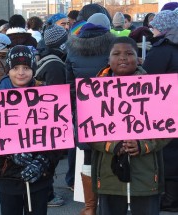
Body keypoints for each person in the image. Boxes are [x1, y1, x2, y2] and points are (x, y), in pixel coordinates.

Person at [91, 36, 170, 215]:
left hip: (146, 174)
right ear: (108, 59)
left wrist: (143, 145)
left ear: (139, 58)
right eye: (116, 53)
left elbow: (168, 128)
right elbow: (86, 131)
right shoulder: (94, 90)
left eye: (129, 53)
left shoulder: (156, 89)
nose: (123, 58)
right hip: (109, 175)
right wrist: (112, 145)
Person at [0, 45, 61, 215]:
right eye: (15, 68)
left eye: (26, 68)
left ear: (34, 69)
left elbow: (59, 136)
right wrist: (9, 153)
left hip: (40, 176)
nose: (21, 73)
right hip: (7, 176)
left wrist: (43, 161)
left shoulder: (47, 95)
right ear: (8, 70)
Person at [66, 12, 115, 215]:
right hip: (111, 109)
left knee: (87, 156)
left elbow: (69, 84)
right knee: (111, 154)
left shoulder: (72, 47)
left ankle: (89, 207)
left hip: (84, 109)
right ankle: (109, 204)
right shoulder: (113, 45)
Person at [142, 9, 178, 212]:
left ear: (163, 29)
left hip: (168, 109)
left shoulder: (162, 49)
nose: (152, 31)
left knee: (170, 153)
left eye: (154, 27)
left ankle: (171, 199)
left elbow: (147, 80)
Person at [35, 24, 68, 207]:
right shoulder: (55, 64)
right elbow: (56, 97)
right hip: (50, 119)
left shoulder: (48, 58)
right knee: (48, 160)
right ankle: (47, 196)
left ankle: (46, 194)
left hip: (45, 117)